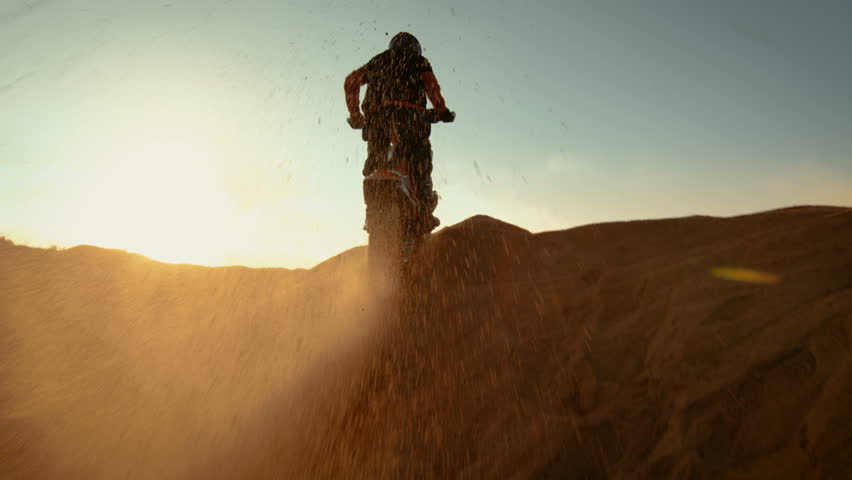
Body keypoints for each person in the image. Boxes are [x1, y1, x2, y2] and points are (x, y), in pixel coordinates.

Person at [344, 32, 452, 233]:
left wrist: (355, 113)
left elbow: (351, 81)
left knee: (375, 162)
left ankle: (372, 213)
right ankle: (424, 212)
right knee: (420, 159)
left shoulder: (378, 61)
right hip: (410, 119)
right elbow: (431, 86)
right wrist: (441, 110)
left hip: (377, 121)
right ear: (415, 48)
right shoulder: (419, 61)